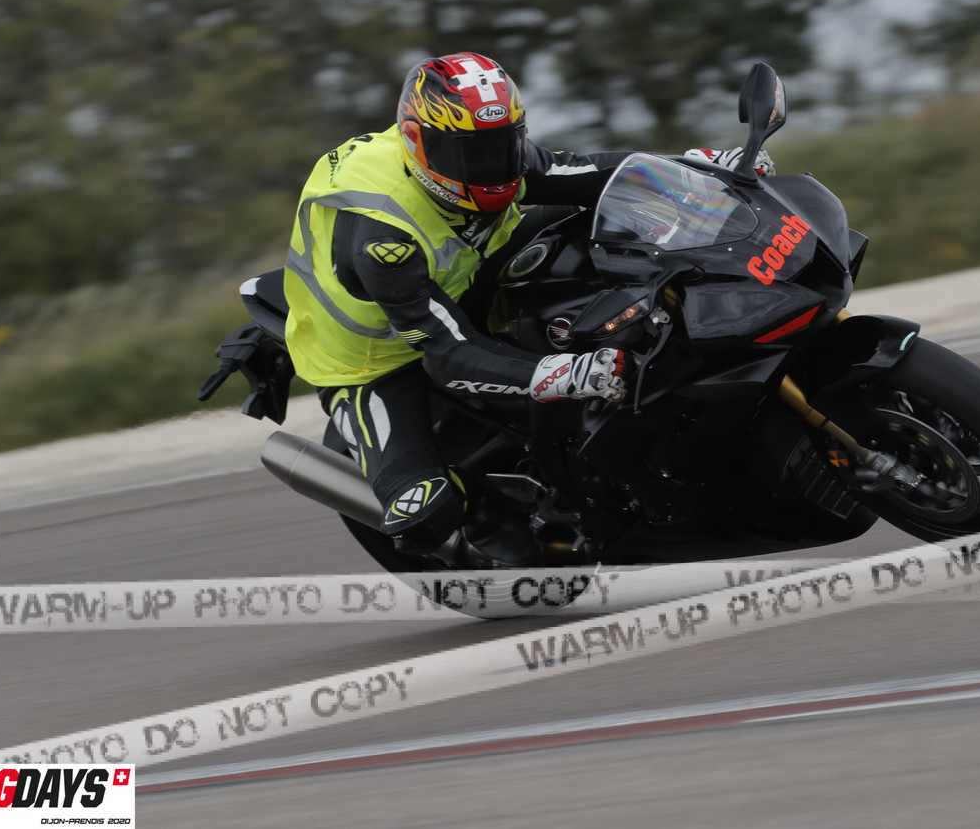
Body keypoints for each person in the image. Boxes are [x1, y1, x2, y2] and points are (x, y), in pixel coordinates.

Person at [283, 51, 770, 555]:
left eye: (502, 145)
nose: (489, 166)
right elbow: (445, 351)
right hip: (377, 358)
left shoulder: (492, 158)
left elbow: (588, 172)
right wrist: (564, 374)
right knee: (423, 513)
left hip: (465, 270)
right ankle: (490, 514)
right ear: (415, 142)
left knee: (619, 215)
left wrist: (698, 168)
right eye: (469, 154)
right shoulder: (381, 236)